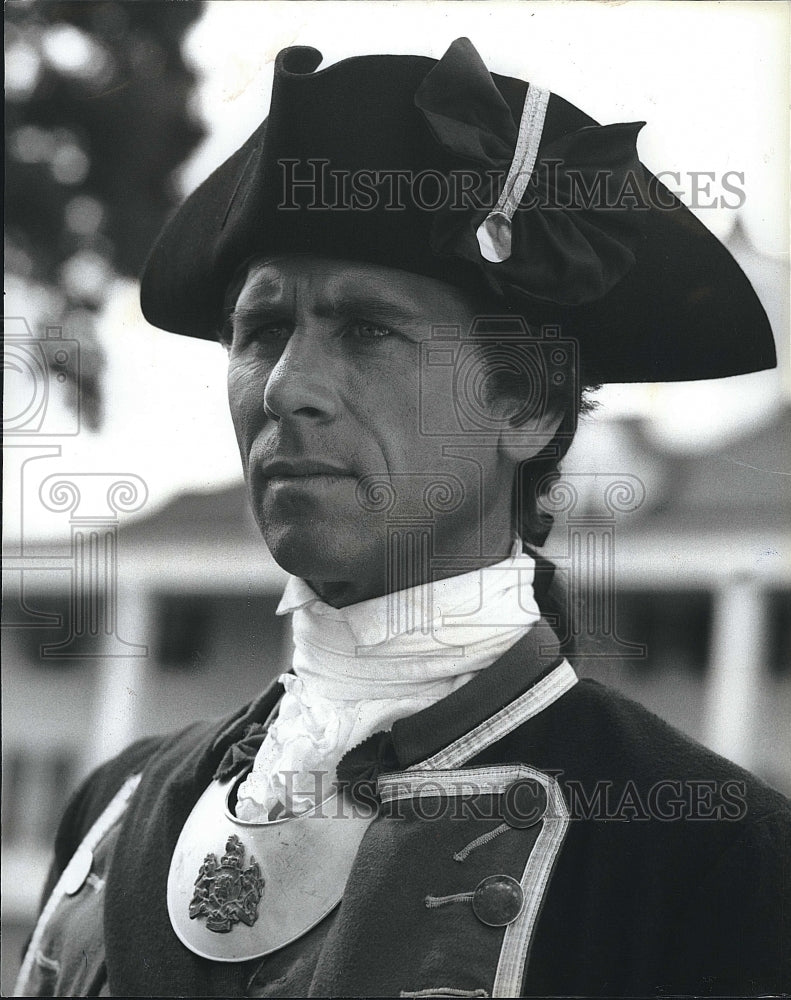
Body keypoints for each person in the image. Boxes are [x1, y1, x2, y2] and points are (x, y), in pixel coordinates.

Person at [16, 37, 789, 998]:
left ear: (530, 406)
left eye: (368, 330)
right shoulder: (115, 810)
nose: (288, 387)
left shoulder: (708, 860)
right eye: (260, 332)